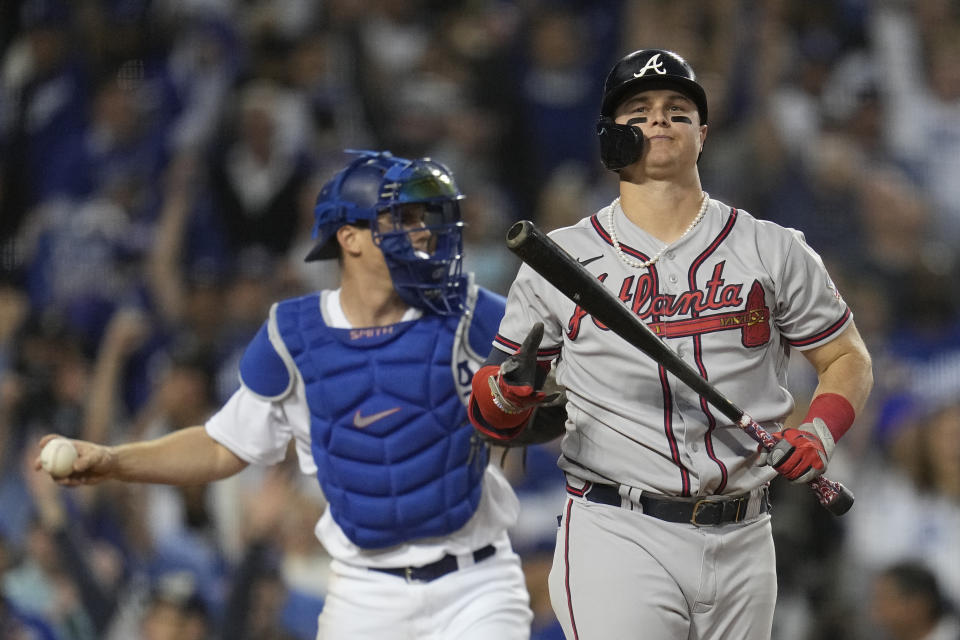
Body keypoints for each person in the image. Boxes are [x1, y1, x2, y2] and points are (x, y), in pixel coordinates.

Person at [34, 150, 533, 639]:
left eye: (423, 216)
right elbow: (218, 447)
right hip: (366, 593)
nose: (423, 230)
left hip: (476, 583)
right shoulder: (293, 338)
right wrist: (114, 460)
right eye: (401, 218)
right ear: (350, 238)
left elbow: (556, 377)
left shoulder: (472, 312)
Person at [468, 49, 874, 640]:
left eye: (677, 110)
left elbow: (847, 358)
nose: (659, 120)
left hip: (745, 530)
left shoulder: (774, 248)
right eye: (639, 110)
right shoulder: (560, 258)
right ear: (611, 134)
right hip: (619, 528)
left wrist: (818, 430)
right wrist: (509, 395)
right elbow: (490, 415)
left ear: (703, 135)